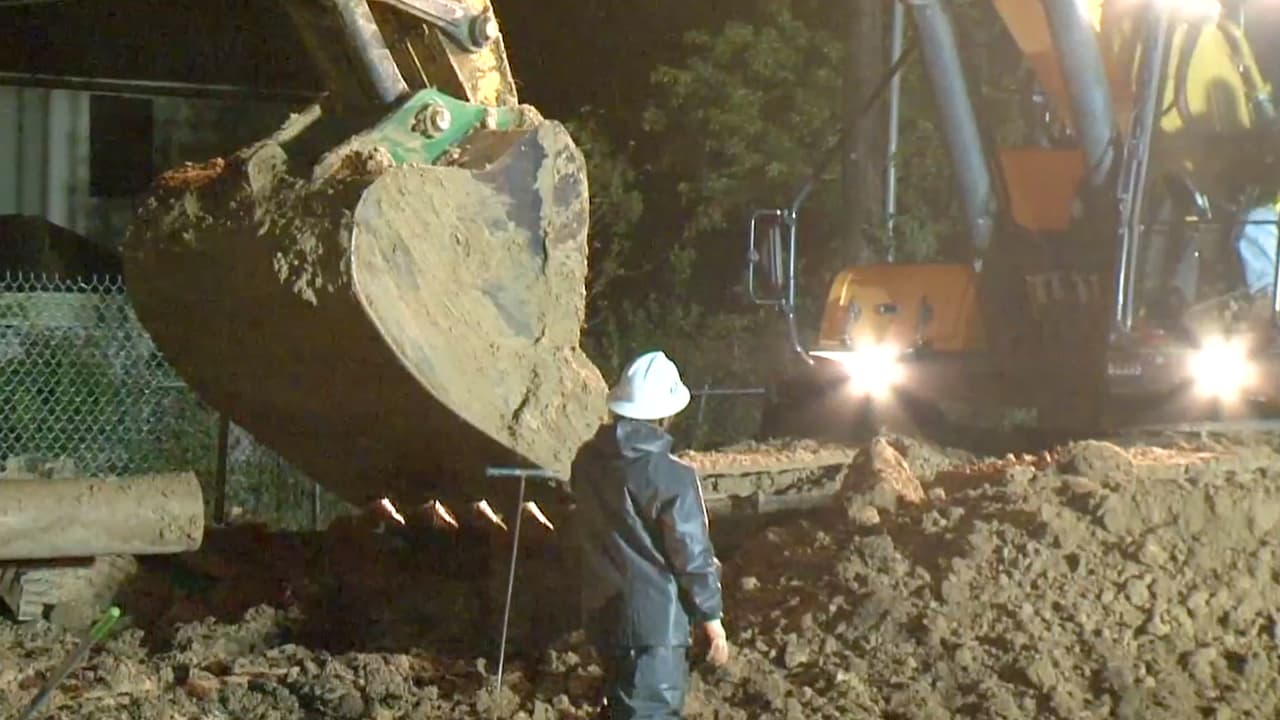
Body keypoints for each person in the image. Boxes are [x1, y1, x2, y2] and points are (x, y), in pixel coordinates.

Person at [570, 350, 729, 719]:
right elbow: (690, 554)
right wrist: (711, 618)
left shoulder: (588, 462)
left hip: (603, 617)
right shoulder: (672, 477)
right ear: (665, 414)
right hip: (655, 627)